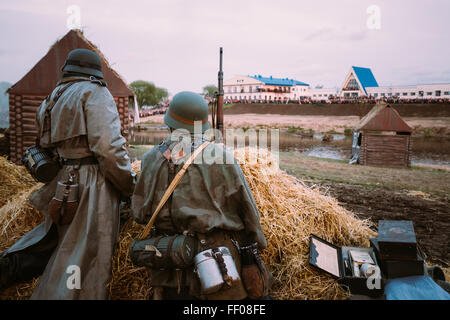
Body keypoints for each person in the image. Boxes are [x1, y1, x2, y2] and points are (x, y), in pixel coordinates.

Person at [0, 48, 135, 299]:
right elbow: (108, 149)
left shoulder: (52, 98)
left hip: (63, 182)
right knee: (88, 257)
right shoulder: (95, 92)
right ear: (94, 71)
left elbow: (44, 146)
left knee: (62, 245)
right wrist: (129, 185)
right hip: (92, 184)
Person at [131, 91, 269, 300]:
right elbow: (249, 213)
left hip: (168, 266)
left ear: (169, 122)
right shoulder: (221, 157)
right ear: (202, 126)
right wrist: (255, 250)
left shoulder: (151, 158)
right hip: (217, 267)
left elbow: (139, 214)